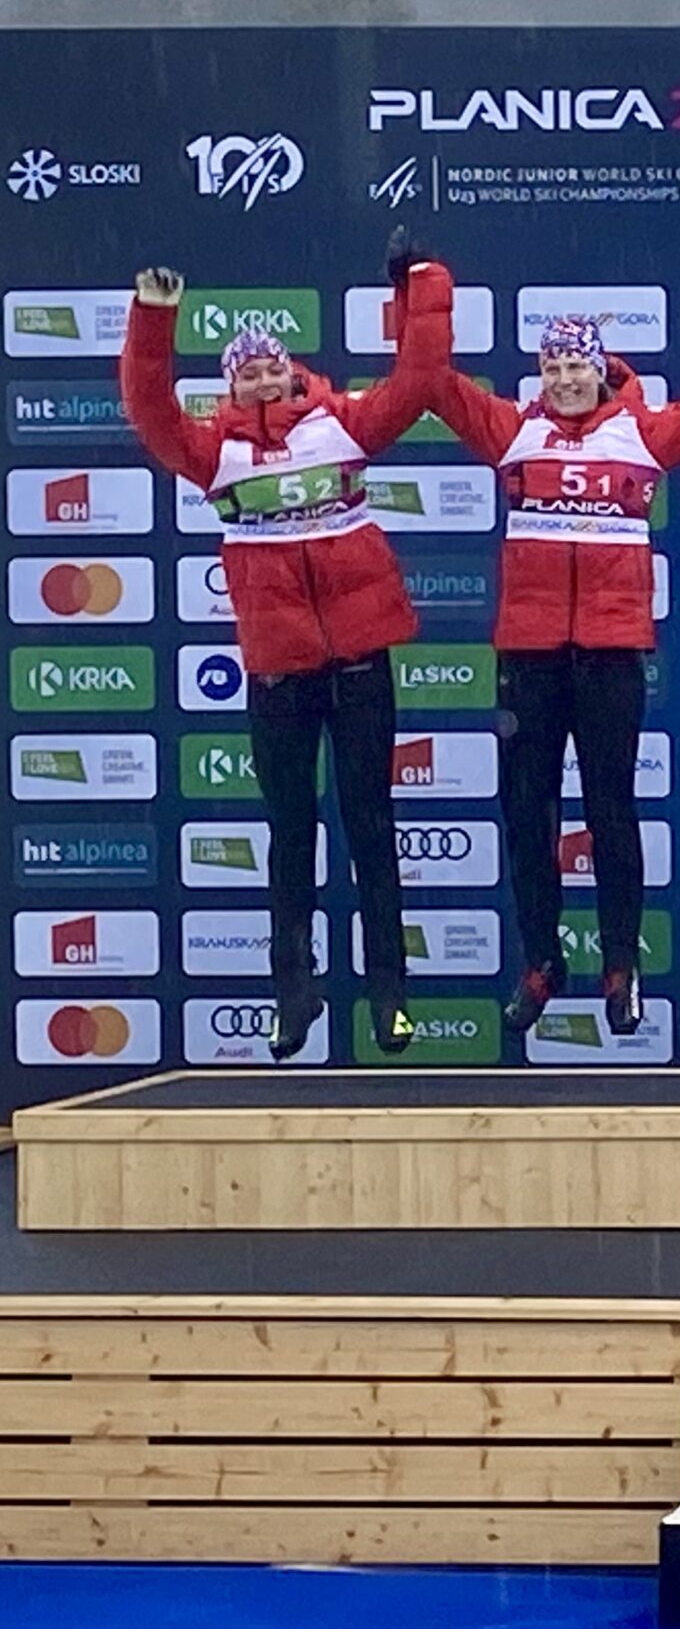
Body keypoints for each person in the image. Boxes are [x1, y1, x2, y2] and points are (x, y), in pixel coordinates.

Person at [118, 231, 452, 1061]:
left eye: (274, 367)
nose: (265, 378)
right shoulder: (211, 451)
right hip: (280, 673)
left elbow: (416, 379)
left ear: (295, 370)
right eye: (249, 371)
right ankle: (292, 995)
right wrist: (154, 318)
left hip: (362, 662)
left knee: (373, 826)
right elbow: (149, 406)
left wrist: (423, 283)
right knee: (291, 831)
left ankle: (390, 996)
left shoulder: (341, 424)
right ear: (230, 385)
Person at [425, 253, 680, 1036]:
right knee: (527, 812)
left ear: (600, 371)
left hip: (612, 653)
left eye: (578, 365)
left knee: (613, 811)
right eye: (553, 367)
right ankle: (541, 964)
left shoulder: (643, 434)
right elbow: (435, 385)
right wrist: (417, 289)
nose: (566, 379)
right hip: (530, 657)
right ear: (539, 375)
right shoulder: (512, 432)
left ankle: (621, 966)